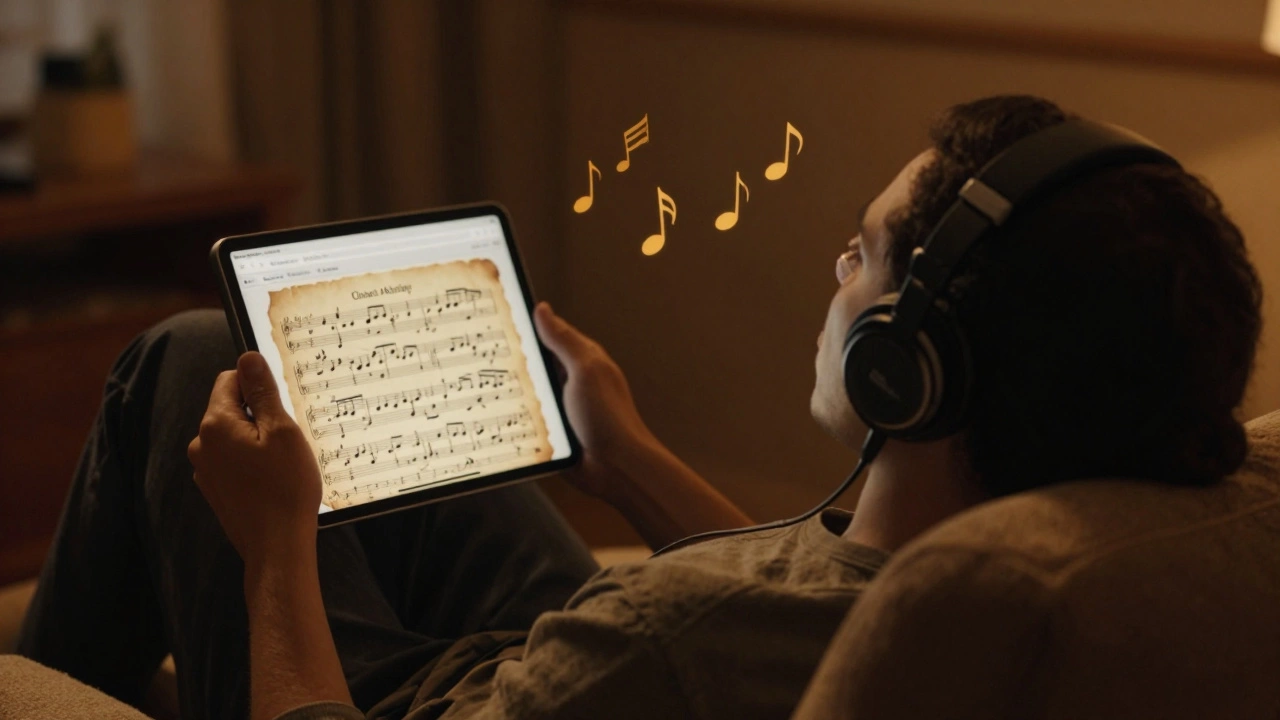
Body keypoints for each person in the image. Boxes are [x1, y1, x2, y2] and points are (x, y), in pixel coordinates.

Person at [18, 94, 1262, 720]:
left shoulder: (664, 630)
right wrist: (628, 463)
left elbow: (704, 631)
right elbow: (796, 615)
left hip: (503, 693)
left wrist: (275, 549)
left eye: (863, 253)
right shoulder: (1124, 529)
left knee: (189, 360)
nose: (836, 269)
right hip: (598, 665)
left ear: (910, 365)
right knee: (400, 439)